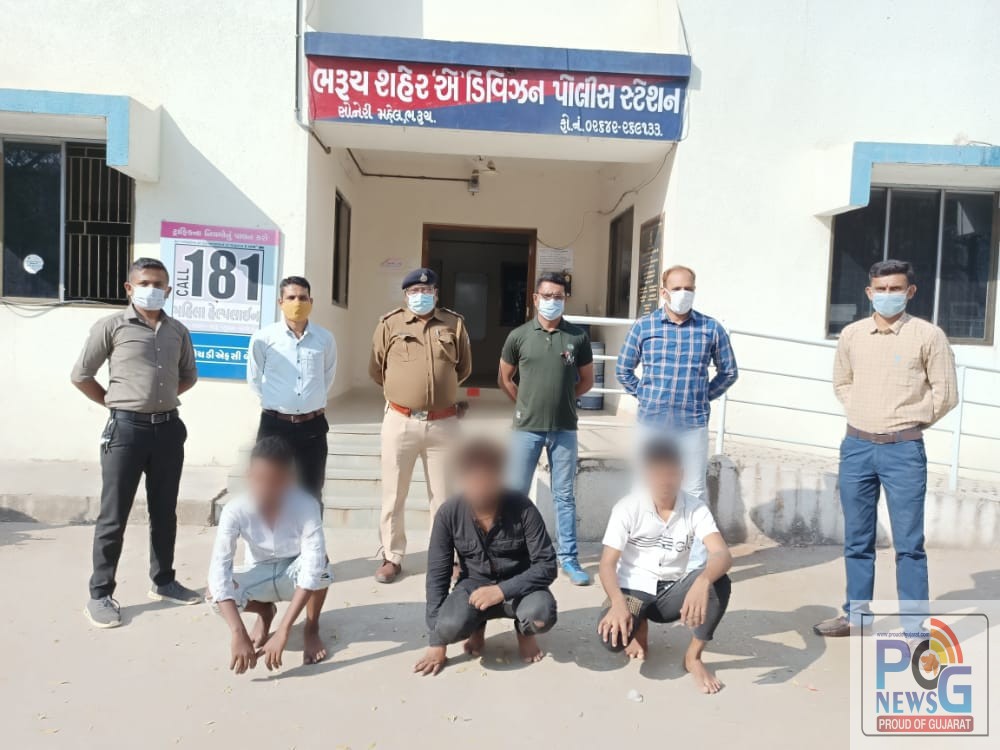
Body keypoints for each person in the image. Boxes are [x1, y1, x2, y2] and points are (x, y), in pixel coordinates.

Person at [815, 259, 957, 637]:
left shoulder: (928, 336)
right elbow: (842, 382)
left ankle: (914, 627)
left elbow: (946, 394)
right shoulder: (852, 335)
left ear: (910, 292)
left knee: (909, 544)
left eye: (895, 288)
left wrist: (908, 420)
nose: (887, 295)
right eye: (881, 289)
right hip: (857, 448)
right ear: (869, 292)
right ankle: (856, 616)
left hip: (903, 451)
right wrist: (864, 411)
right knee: (857, 540)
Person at [72, 257, 201, 629]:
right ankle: (100, 594)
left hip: (168, 430)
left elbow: (188, 376)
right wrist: (118, 404)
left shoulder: (177, 330)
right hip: (126, 432)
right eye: (145, 283)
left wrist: (160, 401)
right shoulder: (111, 326)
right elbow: (81, 375)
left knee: (165, 511)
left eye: (159, 284)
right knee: (114, 516)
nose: (152, 289)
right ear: (129, 288)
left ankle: (164, 581)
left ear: (169, 290)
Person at [597, 438, 733, 694]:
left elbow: (722, 554)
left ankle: (693, 658)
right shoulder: (627, 508)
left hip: (672, 593)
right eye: (658, 473)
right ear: (647, 475)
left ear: (681, 475)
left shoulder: (695, 509)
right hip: (632, 590)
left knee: (719, 582)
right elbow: (606, 564)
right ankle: (639, 625)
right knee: (612, 639)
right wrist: (616, 603)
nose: (665, 481)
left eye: (671, 473)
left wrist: (702, 581)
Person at [414, 438, 558, 676]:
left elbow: (547, 565)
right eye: (474, 480)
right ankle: (477, 627)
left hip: (519, 589)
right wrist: (437, 641)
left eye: (488, 479)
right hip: (473, 589)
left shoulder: (523, 508)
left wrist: (502, 590)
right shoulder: (448, 514)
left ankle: (524, 632)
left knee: (540, 614)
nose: (481, 487)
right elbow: (437, 576)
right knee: (448, 626)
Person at [369, 267, 472, 583]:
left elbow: (464, 368)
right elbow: (376, 368)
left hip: (443, 424)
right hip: (400, 421)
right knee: (393, 495)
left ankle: (444, 558)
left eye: (427, 291)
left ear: (436, 294)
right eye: (415, 291)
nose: (421, 296)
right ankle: (392, 556)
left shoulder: (454, 324)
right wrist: (405, 391)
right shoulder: (390, 324)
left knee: (444, 497)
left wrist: (439, 391)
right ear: (406, 295)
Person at [498, 272, 594, 586]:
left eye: (559, 296)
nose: (553, 301)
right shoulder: (519, 336)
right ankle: (513, 556)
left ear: (565, 299)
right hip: (526, 429)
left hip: (564, 429)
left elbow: (587, 380)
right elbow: (505, 378)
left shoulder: (577, 337)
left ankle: (569, 558)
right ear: (536, 298)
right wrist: (525, 403)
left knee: (564, 496)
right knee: (515, 493)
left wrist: (564, 399)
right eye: (547, 296)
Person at [208, 436, 334, 671]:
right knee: (214, 594)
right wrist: (238, 632)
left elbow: (312, 568)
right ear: (249, 476)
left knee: (322, 566)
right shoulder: (234, 510)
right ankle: (265, 611)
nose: (266, 488)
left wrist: (283, 631)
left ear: (289, 479)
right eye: (260, 479)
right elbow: (219, 571)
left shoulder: (306, 505)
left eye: (275, 481)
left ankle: (311, 627)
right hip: (260, 573)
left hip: (293, 572)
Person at [615, 264, 738, 507]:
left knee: (693, 490)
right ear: (664, 292)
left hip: (692, 424)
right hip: (652, 422)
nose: (684, 293)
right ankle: (646, 533)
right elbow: (623, 369)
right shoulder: (644, 326)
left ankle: (689, 535)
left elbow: (729, 372)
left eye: (688, 288)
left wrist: (702, 396)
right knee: (643, 487)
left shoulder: (710, 328)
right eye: (677, 288)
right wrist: (645, 395)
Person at [248, 275, 337, 502]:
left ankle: (309, 528)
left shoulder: (325, 339)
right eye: (291, 297)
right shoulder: (264, 338)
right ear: (280, 302)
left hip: (312, 427)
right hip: (275, 425)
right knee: (267, 493)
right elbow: (254, 379)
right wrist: (280, 403)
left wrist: (307, 402)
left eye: (303, 298)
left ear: (311, 301)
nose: (297, 303)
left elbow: (327, 377)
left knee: (311, 494)